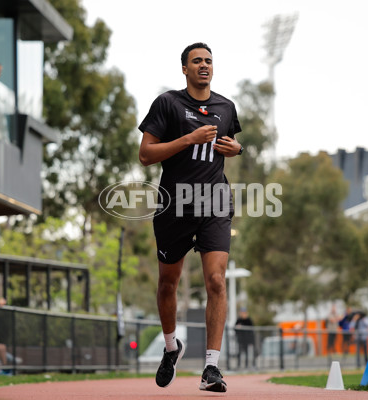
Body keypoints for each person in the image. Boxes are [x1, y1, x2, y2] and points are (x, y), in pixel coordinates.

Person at [138, 42, 243, 392]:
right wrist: (188, 139)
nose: (204, 66)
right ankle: (171, 348)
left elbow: (230, 144)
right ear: (184, 68)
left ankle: (211, 368)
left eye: (208, 61)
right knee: (168, 282)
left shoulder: (226, 107)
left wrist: (238, 149)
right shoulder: (168, 103)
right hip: (175, 205)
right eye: (196, 61)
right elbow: (145, 155)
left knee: (217, 281)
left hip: (214, 202)